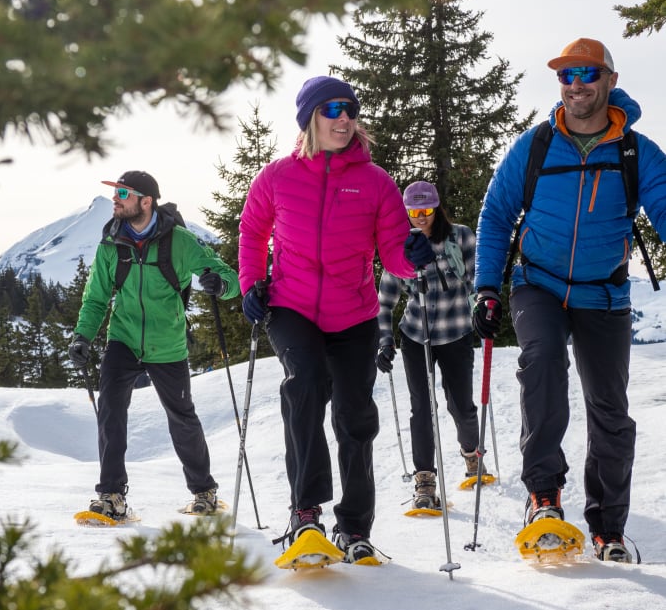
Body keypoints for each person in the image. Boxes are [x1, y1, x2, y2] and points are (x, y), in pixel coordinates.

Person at [473, 38, 666, 562]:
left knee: (610, 408)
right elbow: (495, 215)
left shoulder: (637, 153)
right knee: (543, 363)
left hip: (604, 291)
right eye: (565, 75)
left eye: (586, 73)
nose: (575, 84)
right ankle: (543, 497)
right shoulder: (534, 146)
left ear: (609, 78)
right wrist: (487, 288)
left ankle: (607, 527)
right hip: (538, 282)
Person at [238, 76, 434, 562]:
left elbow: (392, 253)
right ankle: (306, 512)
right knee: (303, 385)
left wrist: (411, 257)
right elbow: (252, 230)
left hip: (354, 313)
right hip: (291, 305)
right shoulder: (278, 176)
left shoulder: (375, 182)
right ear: (310, 118)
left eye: (350, 109)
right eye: (332, 110)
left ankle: (354, 527)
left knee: (355, 416)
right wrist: (249, 286)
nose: (344, 118)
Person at [68, 170, 240, 519]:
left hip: (168, 344)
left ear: (145, 202)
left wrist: (219, 285)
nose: (115, 198)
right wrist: (82, 336)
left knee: (181, 417)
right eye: (115, 192)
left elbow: (229, 277)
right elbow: (96, 299)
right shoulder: (111, 244)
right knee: (111, 412)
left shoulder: (179, 241)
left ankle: (203, 491)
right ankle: (111, 495)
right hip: (124, 339)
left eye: (123, 193)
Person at [377, 180, 482, 510]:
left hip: (456, 331)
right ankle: (425, 479)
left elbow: (476, 282)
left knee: (461, 405)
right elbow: (385, 300)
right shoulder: (400, 246)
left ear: (437, 208)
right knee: (422, 408)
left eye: (425, 211)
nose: (419, 218)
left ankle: (471, 453)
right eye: (413, 212)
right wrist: (383, 340)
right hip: (416, 335)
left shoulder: (462, 237)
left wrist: (482, 308)